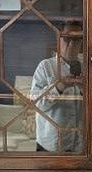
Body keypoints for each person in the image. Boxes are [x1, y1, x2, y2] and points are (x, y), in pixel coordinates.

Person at [30, 21, 83, 152]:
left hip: (80, 144)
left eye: (76, 39)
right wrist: (59, 86)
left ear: (81, 42)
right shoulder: (45, 67)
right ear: (59, 40)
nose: (71, 44)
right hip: (51, 144)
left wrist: (85, 90)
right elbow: (35, 104)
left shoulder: (89, 68)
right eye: (67, 39)